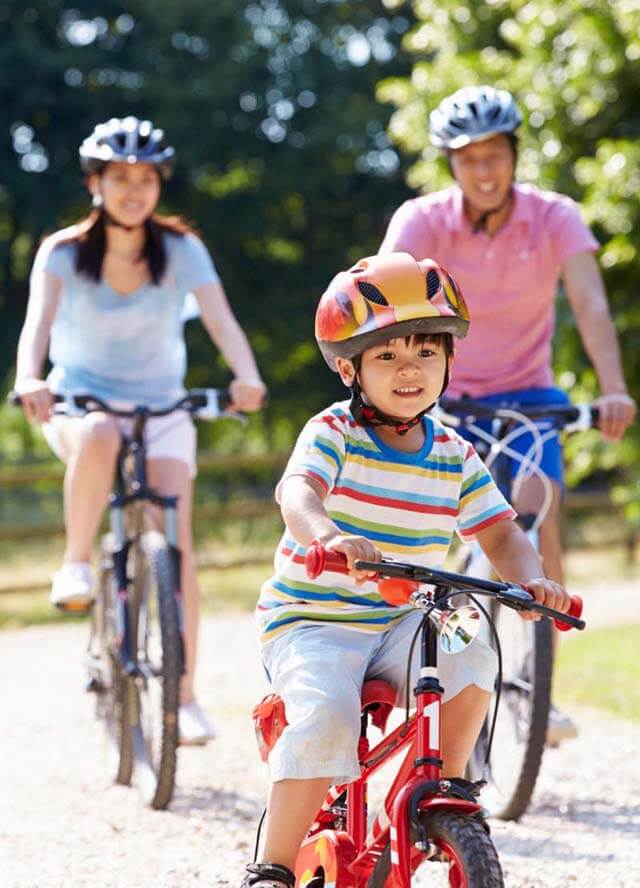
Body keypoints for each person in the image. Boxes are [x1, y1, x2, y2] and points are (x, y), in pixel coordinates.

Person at [241, 252, 570, 888]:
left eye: (425, 351)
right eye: (387, 356)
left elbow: (502, 530)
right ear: (350, 368)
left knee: (473, 645)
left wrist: (530, 579)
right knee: (325, 715)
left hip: (403, 617)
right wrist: (330, 536)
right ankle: (272, 867)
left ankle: (444, 789)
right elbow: (298, 494)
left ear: (449, 360)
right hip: (315, 619)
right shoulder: (333, 431)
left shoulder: (453, 452)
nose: (409, 369)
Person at [379, 85, 636, 743]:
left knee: (535, 503)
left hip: (529, 395)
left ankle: (534, 683)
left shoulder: (554, 218)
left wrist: (612, 387)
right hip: (445, 396)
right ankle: (450, 664)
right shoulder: (423, 219)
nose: (485, 171)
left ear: (515, 155)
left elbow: (591, 308)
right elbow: (385, 296)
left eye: (496, 155)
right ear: (450, 164)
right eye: (469, 159)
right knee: (440, 536)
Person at [13, 116, 266, 745]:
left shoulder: (181, 249)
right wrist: (30, 377)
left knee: (173, 539)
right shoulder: (64, 251)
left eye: (146, 179)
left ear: (159, 186)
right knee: (98, 435)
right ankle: (75, 563)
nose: (134, 190)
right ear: (95, 182)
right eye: (119, 177)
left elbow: (222, 320)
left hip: (161, 408)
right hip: (80, 402)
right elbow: (36, 327)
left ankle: (183, 698)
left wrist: (247, 375)